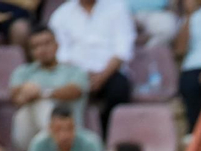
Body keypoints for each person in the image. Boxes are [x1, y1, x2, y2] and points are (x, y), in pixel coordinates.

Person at [48, 0, 136, 135]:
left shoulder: (117, 8)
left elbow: (123, 49)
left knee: (119, 90)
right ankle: (71, 139)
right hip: (75, 73)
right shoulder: (61, 15)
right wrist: (82, 76)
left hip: (109, 72)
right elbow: (60, 54)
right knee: (65, 90)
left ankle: (111, 138)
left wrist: (103, 76)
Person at [9, 26, 90, 151]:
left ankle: (57, 138)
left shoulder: (75, 71)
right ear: (30, 51)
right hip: (30, 138)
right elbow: (16, 97)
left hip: (70, 138)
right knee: (28, 108)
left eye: (47, 43)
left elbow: (75, 91)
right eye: (36, 46)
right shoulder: (23, 72)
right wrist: (27, 95)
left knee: (40, 102)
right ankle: (43, 146)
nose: (42, 49)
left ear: (57, 45)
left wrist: (41, 93)